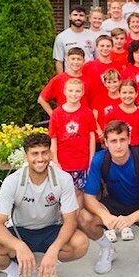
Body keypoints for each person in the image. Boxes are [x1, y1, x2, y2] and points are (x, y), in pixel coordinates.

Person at [0, 133, 88, 277]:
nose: (40, 158)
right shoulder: (12, 181)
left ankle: (48, 268)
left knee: (80, 243)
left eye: (44, 152)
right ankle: (15, 274)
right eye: (34, 154)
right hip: (20, 231)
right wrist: (18, 246)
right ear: (26, 156)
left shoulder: (63, 179)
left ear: (50, 154)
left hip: (51, 229)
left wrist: (53, 251)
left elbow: (71, 221)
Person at [79, 121, 139, 274]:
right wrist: (104, 216)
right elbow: (89, 197)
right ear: (105, 143)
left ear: (129, 140)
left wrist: (132, 218)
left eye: (122, 140)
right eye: (113, 141)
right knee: (84, 217)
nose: (118, 146)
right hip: (114, 203)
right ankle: (107, 249)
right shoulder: (100, 160)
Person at [49, 78, 96, 207]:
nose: (74, 94)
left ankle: (76, 220)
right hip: (63, 161)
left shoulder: (87, 112)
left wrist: (91, 157)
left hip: (81, 160)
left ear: (82, 93)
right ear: (64, 91)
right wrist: (55, 161)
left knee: (79, 191)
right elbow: (53, 138)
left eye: (77, 91)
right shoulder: (57, 114)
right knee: (62, 191)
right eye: (70, 90)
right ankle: (63, 221)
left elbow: (91, 135)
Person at [38, 47, 89, 116]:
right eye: (73, 59)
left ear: (84, 61)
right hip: (64, 119)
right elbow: (41, 99)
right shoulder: (58, 79)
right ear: (67, 60)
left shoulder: (89, 80)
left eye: (79, 59)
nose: (76, 62)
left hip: (83, 119)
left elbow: (94, 104)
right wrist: (53, 116)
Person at [53, 5, 97, 73]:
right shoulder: (61, 37)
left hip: (89, 76)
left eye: (81, 15)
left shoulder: (93, 36)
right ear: (70, 16)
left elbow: (97, 59)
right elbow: (59, 61)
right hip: (70, 78)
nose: (78, 18)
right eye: (75, 15)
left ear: (85, 18)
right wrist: (62, 80)